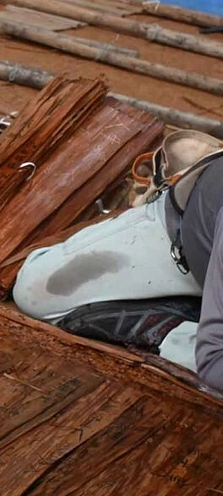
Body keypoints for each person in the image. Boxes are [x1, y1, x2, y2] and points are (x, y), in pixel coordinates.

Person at [13, 153, 223, 390]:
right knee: (36, 291)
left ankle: (191, 329)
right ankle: (171, 327)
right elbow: (213, 361)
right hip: (182, 241)